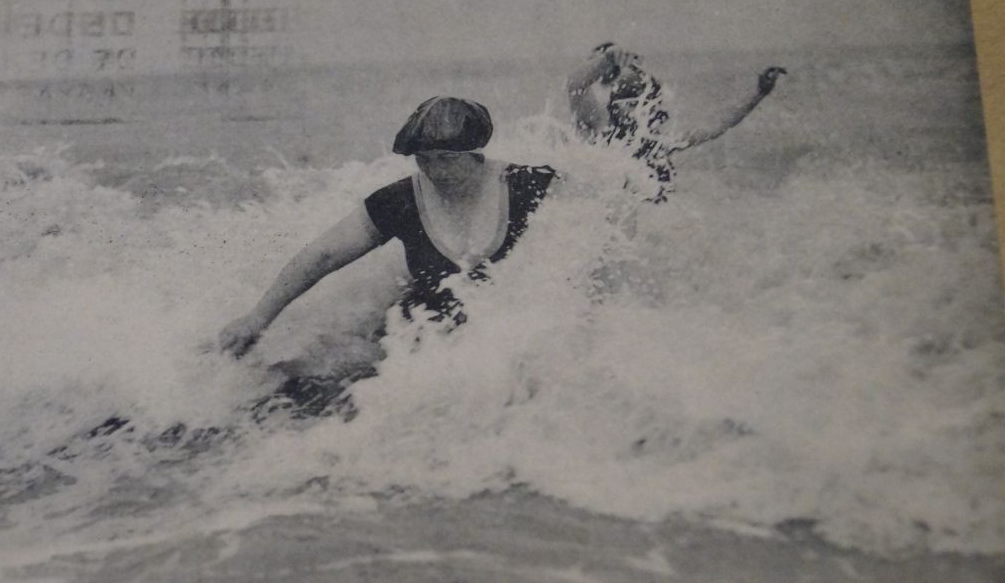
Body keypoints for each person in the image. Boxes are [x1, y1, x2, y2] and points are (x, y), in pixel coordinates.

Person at [219, 97, 556, 357]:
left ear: (474, 152)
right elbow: (322, 255)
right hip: (420, 350)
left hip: (506, 344)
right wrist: (258, 318)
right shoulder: (400, 200)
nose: (435, 172)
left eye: (447, 159)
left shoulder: (529, 185)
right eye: (424, 159)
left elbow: (591, 239)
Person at [564, 43, 785, 201]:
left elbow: (716, 125)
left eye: (644, 102)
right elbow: (576, 85)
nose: (640, 110)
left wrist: (757, 94)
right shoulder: (598, 126)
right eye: (630, 102)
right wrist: (608, 58)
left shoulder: (654, 142)